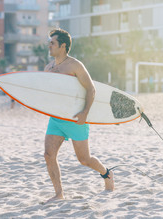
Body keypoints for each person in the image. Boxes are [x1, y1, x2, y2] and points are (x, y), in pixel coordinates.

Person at [43, 29, 114, 203]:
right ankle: (59, 193)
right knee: (48, 154)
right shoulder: (47, 68)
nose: (49, 45)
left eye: (52, 43)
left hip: (76, 119)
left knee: (84, 159)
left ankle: (106, 173)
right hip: (57, 119)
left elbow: (91, 89)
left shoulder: (75, 66)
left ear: (63, 46)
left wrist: (85, 113)